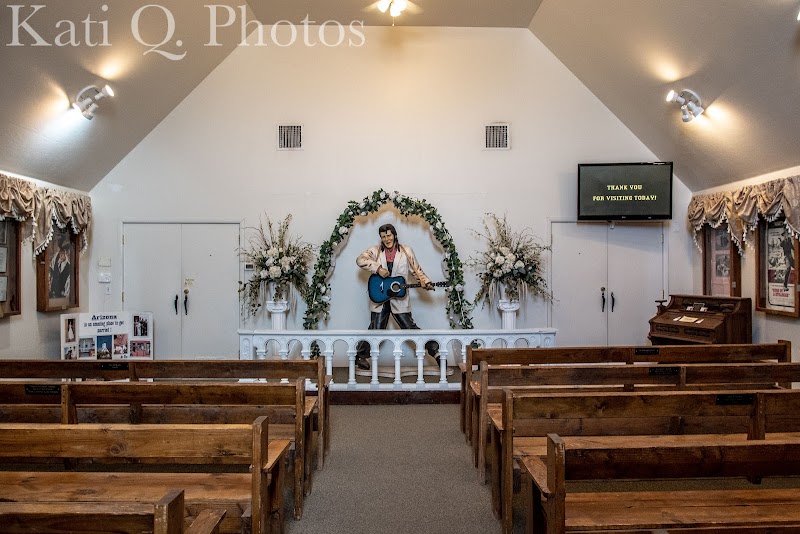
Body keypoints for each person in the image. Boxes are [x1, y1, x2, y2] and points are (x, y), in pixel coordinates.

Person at [355, 223, 439, 370]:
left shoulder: (406, 251)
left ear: (394, 234)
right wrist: (378, 268)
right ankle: (360, 356)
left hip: (399, 298)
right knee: (376, 329)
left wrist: (425, 282)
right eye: (383, 237)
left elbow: (416, 270)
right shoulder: (375, 251)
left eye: (388, 235)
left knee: (409, 326)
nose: (386, 239)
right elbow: (360, 260)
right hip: (380, 296)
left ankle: (435, 351)